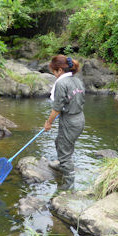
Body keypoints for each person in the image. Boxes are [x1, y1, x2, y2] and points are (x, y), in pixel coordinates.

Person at [44, 55, 85, 191]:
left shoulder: (62, 83)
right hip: (79, 118)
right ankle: (62, 164)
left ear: (60, 70)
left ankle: (69, 183)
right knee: (60, 142)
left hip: (70, 121)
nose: (54, 75)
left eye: (54, 72)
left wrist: (48, 123)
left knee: (64, 150)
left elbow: (56, 108)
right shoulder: (77, 80)